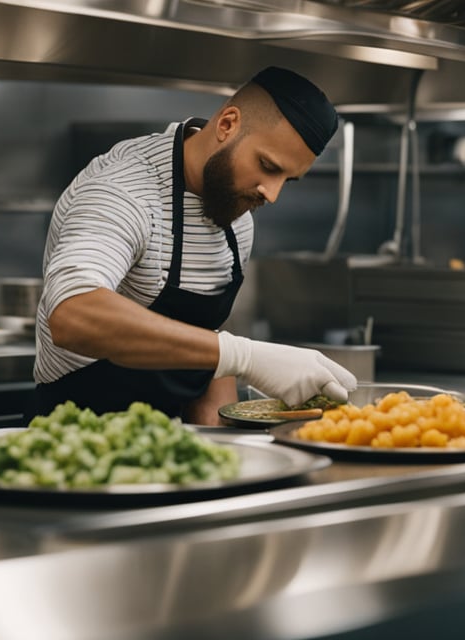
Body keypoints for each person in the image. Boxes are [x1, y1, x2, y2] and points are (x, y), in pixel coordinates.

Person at [32, 67, 358, 424]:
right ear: (227, 125)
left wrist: (223, 442)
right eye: (267, 166)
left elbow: (206, 343)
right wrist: (246, 356)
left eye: (287, 180)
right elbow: (73, 313)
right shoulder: (122, 190)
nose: (272, 193)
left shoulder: (236, 213)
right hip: (76, 435)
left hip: (171, 439)